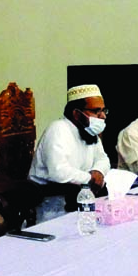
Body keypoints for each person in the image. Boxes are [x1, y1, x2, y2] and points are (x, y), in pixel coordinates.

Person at [29, 84, 109, 219]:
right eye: (96, 111)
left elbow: (103, 158)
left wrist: (98, 172)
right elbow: (58, 172)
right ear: (77, 114)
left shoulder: (88, 131)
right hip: (53, 206)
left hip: (80, 199)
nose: (102, 116)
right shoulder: (58, 129)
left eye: (104, 110)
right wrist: (91, 178)